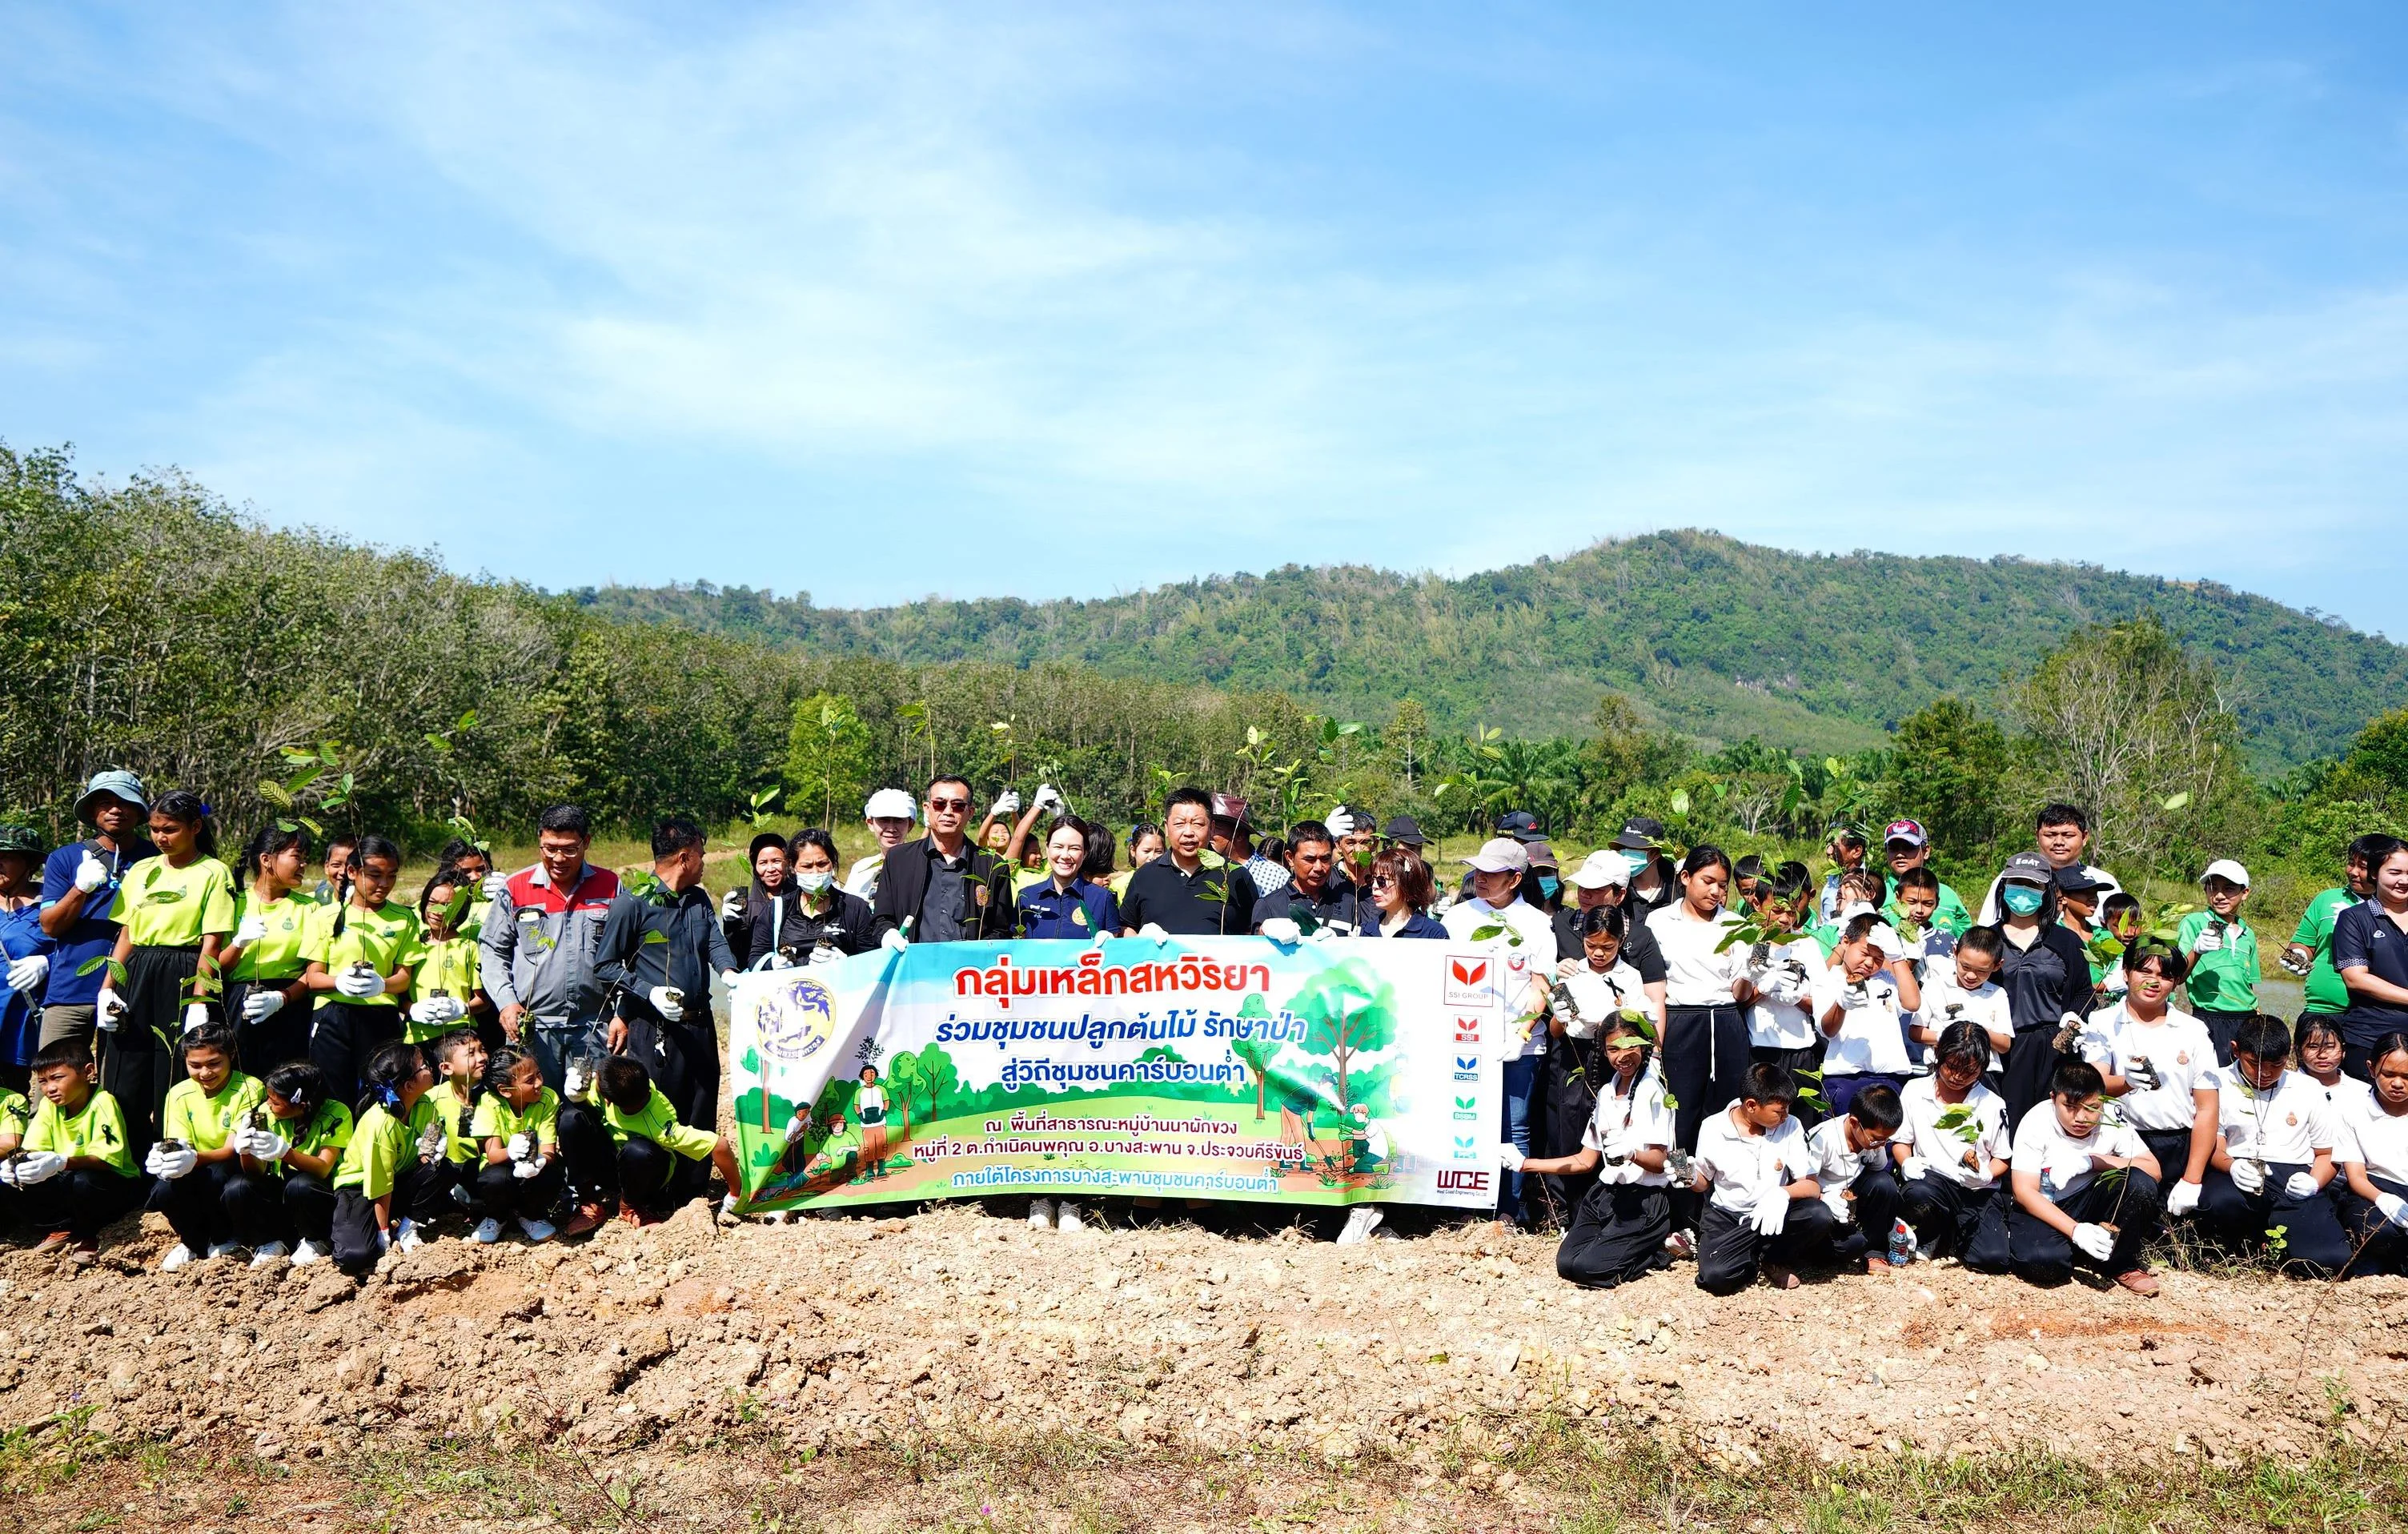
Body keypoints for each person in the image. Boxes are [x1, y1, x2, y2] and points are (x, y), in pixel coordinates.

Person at [96, 789, 236, 1157]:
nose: (161, 837)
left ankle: (169, 1158)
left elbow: (211, 944)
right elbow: (126, 934)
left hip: (183, 971)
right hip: (137, 970)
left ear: (195, 827)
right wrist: (107, 988)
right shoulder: (142, 870)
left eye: (170, 829)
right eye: (155, 829)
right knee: (125, 1067)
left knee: (172, 1068)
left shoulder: (213, 872)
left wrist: (199, 1001)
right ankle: (124, 1161)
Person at [592, 815, 739, 1134]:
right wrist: (649, 992)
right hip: (656, 1028)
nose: (704, 863)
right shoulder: (632, 903)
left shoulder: (698, 899)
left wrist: (729, 972)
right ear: (684, 857)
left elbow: (714, 942)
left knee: (702, 1108)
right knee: (661, 1114)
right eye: (701, 854)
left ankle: (698, 1169)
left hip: (700, 1025)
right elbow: (605, 966)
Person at [1511, 1014, 1674, 1289]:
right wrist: (1525, 1164)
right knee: (1566, 1264)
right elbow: (1585, 1160)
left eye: (1630, 1046)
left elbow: (1660, 1161)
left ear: (1644, 1045)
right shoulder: (1607, 1093)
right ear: (1604, 1051)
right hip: (1606, 1195)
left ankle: (1655, 1251)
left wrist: (1633, 1154)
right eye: (1613, 1049)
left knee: (1588, 1269)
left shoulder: (1653, 1091)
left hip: (1643, 1201)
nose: (1622, 1056)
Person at [1443, 837, 1555, 1227]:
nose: (1481, 878)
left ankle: (1508, 1210)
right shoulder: (1457, 919)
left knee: (1514, 1125)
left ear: (1515, 879)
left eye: (1492, 873)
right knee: (1464, 1121)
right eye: (1479, 871)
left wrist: (1521, 1034)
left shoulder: (1537, 924)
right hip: (1464, 1041)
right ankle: (1463, 1206)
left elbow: (1541, 986)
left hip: (1518, 1046)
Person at [1977, 1057, 2161, 1294]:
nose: (2081, 1118)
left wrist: (2093, 1161)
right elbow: (2024, 1191)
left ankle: (2121, 1263)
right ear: (2054, 1098)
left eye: (2092, 1107)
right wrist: (2076, 1231)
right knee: (2043, 1264)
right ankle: (2078, 1249)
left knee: (2140, 1183)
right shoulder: (2036, 1120)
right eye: (2071, 1107)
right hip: (2047, 1205)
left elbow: (2153, 1170)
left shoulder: (2113, 1118)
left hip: (2089, 1199)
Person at [2189, 1014, 2352, 1276]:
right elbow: (2214, 1146)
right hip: (2237, 1170)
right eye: (2254, 1063)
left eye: (2276, 1065)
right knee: (2218, 1203)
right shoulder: (2216, 1083)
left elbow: (2326, 1153)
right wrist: (2232, 1167)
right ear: (2235, 1050)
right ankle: (2241, 1245)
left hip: (2293, 1175)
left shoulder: (2309, 1088)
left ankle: (2281, 1241)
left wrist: (2314, 1182)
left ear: (2288, 1057)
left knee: (2329, 1260)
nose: (2264, 1074)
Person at [1647, 846, 1757, 1235]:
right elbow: (1653, 983)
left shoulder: (1736, 925)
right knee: (1679, 1119)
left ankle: (1718, 1214)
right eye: (1708, 881)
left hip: (1726, 1023)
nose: (1716, 892)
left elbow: (1741, 992)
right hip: (1680, 1023)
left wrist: (1754, 967)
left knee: (1725, 1114)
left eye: (1723, 886)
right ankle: (1678, 1216)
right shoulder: (1660, 921)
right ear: (1685, 878)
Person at [480, 804, 620, 1090]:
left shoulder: (610, 886)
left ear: (586, 842)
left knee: (591, 1106)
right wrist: (506, 1001)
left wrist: (622, 1012)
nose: (558, 858)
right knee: (534, 1104)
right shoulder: (515, 888)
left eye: (569, 849)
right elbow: (493, 950)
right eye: (550, 848)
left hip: (594, 1027)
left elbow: (628, 953)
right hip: (532, 1029)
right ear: (539, 841)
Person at [2077, 944, 2220, 1215]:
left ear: (2175, 982)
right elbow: (2096, 1084)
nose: (2154, 982)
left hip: (2179, 1143)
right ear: (2126, 973)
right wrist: (2126, 1083)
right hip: (2126, 1141)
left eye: (2164, 976)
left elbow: (2207, 1107)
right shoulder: (2102, 1022)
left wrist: (2192, 1179)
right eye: (2145, 971)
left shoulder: (2193, 1030)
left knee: (2208, 1208)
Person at [37, 770, 159, 1054]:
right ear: (93, 812)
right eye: (106, 803)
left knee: (120, 1076)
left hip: (133, 988)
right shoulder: (65, 858)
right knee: (56, 1072)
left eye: (125, 802)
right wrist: (80, 888)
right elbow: (49, 926)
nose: (116, 810)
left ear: (139, 812)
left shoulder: (156, 859)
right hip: (71, 989)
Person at [300, 836, 425, 1109]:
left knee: (378, 1093)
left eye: (392, 876)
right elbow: (313, 977)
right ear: (352, 872)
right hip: (334, 1015)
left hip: (380, 1016)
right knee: (332, 1095)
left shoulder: (404, 919)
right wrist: (339, 982)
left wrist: (382, 985)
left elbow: (403, 977)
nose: (384, 884)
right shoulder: (326, 916)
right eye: (375, 875)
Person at [1690, 1063, 1829, 1293]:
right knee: (1716, 1276)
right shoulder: (1713, 1127)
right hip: (1727, 1217)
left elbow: (1812, 1186)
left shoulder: (1791, 1125)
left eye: (1787, 1109)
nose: (1785, 1116)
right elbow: (1703, 1181)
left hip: (1774, 1215)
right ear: (1752, 1105)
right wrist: (1688, 1177)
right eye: (1779, 1111)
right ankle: (1756, 1255)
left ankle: (1772, 1258)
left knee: (1818, 1215)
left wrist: (1781, 1194)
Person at [144, 1020, 271, 1270]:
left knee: (218, 1176)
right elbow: (179, 1142)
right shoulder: (178, 1093)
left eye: (214, 1064)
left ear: (231, 1056)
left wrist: (193, 1158)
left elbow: (231, 1149)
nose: (205, 1073)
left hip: (233, 1163)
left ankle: (225, 1237)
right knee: (164, 1189)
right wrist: (168, 1160)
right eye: (195, 1065)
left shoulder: (249, 1087)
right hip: (197, 1163)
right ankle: (193, 1241)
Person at [2, 1035, 141, 1256]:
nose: (50, 1088)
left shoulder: (103, 1103)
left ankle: (91, 1234)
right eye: (43, 1081)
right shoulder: (49, 1106)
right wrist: (18, 1165)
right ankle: (59, 1228)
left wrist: (61, 1162)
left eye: (57, 1078)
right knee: (14, 1181)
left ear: (88, 1072)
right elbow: (34, 1147)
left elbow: (106, 1161)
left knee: (83, 1182)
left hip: (111, 1182)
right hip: (67, 1176)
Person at [566, 1054, 744, 1226]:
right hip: (613, 1161)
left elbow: (720, 1145)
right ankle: (588, 1201)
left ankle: (629, 1206)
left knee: (638, 1151)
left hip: (644, 1175)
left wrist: (736, 1193)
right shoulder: (635, 1086)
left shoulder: (660, 1126)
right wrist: (579, 1100)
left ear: (607, 1101)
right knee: (571, 1119)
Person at [1892, 1022, 2013, 1265]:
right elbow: (1901, 1140)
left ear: (1982, 1068)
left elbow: (2002, 1158)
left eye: (1969, 1071)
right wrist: (1906, 1163)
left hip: (1977, 1190)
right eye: (1952, 1067)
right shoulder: (1915, 1091)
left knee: (1993, 1258)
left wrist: (1987, 1175)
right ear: (1939, 1055)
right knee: (1917, 1193)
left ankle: (1951, 1235)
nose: (1957, 1077)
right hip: (1933, 1184)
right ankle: (1931, 1231)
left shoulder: (1992, 1104)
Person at [1989, 851, 2096, 1126]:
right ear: (2004, 887)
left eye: (2033, 885)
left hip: (2056, 1048)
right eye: (2017, 883)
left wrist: (2074, 1016)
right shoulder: (1988, 939)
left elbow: (2085, 992)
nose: (2024, 891)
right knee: (2006, 1123)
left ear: (2047, 891)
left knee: (2055, 1123)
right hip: (2004, 1049)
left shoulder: (2066, 941)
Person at [329, 1042, 443, 1274]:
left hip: (397, 1178)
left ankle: (408, 1226)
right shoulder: (381, 1124)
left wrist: (434, 1154)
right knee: (355, 1256)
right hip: (361, 1189)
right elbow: (381, 1185)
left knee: (444, 1168)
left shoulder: (425, 1105)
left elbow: (425, 1154)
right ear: (409, 1085)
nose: (430, 1069)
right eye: (424, 1066)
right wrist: (383, 1236)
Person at [871, 777, 1019, 946]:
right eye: (939, 804)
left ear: (970, 812)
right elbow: (882, 918)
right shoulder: (899, 860)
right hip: (913, 960)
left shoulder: (992, 866)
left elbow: (1002, 929)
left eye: (958, 806)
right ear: (927, 808)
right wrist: (889, 934)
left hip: (970, 963)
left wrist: (977, 953)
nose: (948, 812)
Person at [219, 822, 318, 1076]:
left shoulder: (309, 908)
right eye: (297, 857)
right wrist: (238, 943)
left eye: (305, 858)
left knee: (285, 1080)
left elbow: (313, 971)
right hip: (238, 1001)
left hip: (290, 1003)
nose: (304, 865)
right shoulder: (234, 902)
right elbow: (216, 967)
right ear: (266, 860)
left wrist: (282, 998)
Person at [240, 1059, 350, 1265]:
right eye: (269, 1098)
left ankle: (315, 1240)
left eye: (276, 1103)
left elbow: (323, 1168)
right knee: (239, 1186)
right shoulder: (265, 1114)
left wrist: (283, 1152)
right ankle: (270, 1241)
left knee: (300, 1185)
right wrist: (246, 1151)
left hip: (317, 1193)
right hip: (281, 1191)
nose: (268, 1105)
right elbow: (257, 1172)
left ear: (301, 1105)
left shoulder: (337, 1113)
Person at [1811, 914, 1920, 1117]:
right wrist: (1841, 1005)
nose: (1870, 963)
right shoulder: (1827, 980)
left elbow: (1912, 1003)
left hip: (1891, 1079)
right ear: (1846, 942)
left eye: (1879, 959)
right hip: (1846, 1080)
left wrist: (1897, 958)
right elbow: (1828, 1030)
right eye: (1864, 953)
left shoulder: (1887, 979)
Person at [1121, 787, 1258, 939]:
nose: (1188, 833)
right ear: (1166, 827)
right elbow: (1126, 926)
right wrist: (1140, 939)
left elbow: (1252, 930)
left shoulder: (1235, 874)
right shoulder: (1144, 876)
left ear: (1211, 828)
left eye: (1197, 824)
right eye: (1179, 824)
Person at [1740, 862, 1824, 1114]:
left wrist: (1797, 998)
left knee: (1800, 1116)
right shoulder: (1747, 942)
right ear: (1757, 904)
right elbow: (1738, 1001)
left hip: (1801, 1049)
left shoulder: (1806, 945)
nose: (1785, 919)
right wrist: (1763, 989)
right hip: (1760, 1048)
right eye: (1777, 910)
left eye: (1791, 910)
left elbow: (1821, 1003)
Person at [2285, 834, 2395, 1017]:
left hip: (2379, 1015)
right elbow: (2303, 943)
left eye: (2363, 867)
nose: (2353, 872)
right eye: (2351, 863)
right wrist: (2298, 954)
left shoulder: (2397, 908)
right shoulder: (2326, 899)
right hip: (2322, 1010)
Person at [1553, 850, 1670, 1019]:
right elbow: (1542, 981)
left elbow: (1655, 1002)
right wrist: (1554, 972)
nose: (1585, 894)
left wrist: (1654, 1038)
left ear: (1620, 895)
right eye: (1582, 886)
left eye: (1596, 889)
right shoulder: (1561, 924)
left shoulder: (1641, 937)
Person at [1803, 1082, 1906, 1271]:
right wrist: (1823, 1198)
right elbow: (1801, 1183)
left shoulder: (1872, 1142)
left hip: (1850, 1201)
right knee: (1851, 1246)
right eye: (1876, 1139)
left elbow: (1878, 1169)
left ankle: (1875, 1252)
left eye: (1887, 1140)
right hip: (1821, 1205)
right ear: (1854, 1123)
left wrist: (1877, 1145)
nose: (1881, 1144)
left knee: (1885, 1184)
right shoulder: (1822, 1139)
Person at [468, 1044, 562, 1245]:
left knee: (551, 1175)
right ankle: (496, 1217)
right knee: (495, 1179)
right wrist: (511, 1151)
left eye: (539, 1074)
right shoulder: (489, 1103)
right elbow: (493, 1155)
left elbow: (548, 1151)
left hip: (532, 1167)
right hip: (502, 1166)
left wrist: (540, 1162)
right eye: (530, 1080)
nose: (539, 1083)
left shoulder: (547, 1098)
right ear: (505, 1090)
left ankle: (530, 1215)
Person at [2334, 1032, 2408, 1275]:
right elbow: (2356, 1177)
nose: (2398, 1084)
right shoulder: (2353, 1110)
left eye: (2407, 1077)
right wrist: (2384, 1199)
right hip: (2373, 1189)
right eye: (2389, 1074)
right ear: (2371, 1068)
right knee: (2376, 1230)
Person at [2334, 840, 2408, 1082]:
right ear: (2375, 873)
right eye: (2395, 873)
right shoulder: (2354, 919)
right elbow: (2356, 979)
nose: (2404, 880)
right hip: (2369, 1038)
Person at [1975, 805, 2120, 924]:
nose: (2059, 842)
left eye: (2068, 835)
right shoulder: (2012, 879)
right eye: (2050, 835)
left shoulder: (2103, 881)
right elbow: (1987, 931)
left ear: (2085, 837)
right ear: (2037, 836)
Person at [2181, 859, 2262, 1064]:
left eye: (2229, 889)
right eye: (2213, 888)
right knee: (2209, 1076)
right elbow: (2176, 976)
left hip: (2246, 1019)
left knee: (2245, 1077)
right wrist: (2196, 951)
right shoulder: (2194, 923)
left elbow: (2248, 985)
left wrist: (2257, 1017)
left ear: (2245, 893)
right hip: (2209, 1016)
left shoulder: (2249, 934)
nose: (2219, 895)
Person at [0, 825, 55, 1090]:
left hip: (17, 1021)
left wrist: (48, 963)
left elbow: (78, 952)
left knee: (12, 1096)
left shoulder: (50, 905)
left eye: (7, 857)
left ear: (30, 863)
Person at [1911, 925, 2013, 1066]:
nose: (1971, 976)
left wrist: (1976, 1031)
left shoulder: (1998, 994)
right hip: (1942, 1067)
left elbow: (2005, 1045)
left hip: (1984, 1070)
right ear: (1955, 953)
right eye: (1965, 967)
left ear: (1997, 966)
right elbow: (1915, 1032)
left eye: (1981, 971)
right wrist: (1945, 1035)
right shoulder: (1935, 986)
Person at [407, 869, 485, 1046]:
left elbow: (483, 1000)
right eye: (432, 903)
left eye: (447, 906)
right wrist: (414, 1009)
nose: (438, 911)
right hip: (418, 1035)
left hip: (459, 1037)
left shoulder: (468, 947)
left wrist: (461, 1009)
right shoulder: (414, 944)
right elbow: (400, 998)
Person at [419, 1027, 489, 1214]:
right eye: (471, 1054)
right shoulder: (432, 1099)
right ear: (446, 1068)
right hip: (446, 1172)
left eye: (482, 1050)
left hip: (484, 1170)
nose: (482, 1058)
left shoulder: (493, 1097)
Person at [1015, 817, 1122, 941]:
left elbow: (1112, 948)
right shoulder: (1026, 897)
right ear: (1047, 848)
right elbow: (1017, 945)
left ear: (1085, 852)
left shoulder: (1103, 899)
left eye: (1074, 848)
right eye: (1058, 847)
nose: (1065, 855)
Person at [1255, 820, 1367, 936]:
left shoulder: (1349, 903)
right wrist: (1263, 932)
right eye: (1309, 859)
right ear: (1290, 858)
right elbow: (1255, 946)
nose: (1319, 867)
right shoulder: (1269, 906)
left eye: (1325, 859)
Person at [782, 829, 879, 961]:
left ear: (832, 863)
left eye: (822, 864)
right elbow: (758, 955)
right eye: (807, 866)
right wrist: (772, 964)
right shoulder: (778, 908)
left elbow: (872, 959)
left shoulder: (856, 908)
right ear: (793, 867)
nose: (815, 872)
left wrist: (845, 962)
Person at [1877, 821, 1970, 938]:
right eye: (1893, 848)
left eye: (1908, 847)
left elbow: (1967, 942)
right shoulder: (1877, 895)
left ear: (1926, 851)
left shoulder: (1948, 896)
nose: (1900, 854)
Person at [722, 832, 798, 971]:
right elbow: (737, 953)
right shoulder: (746, 906)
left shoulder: (801, 899)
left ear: (787, 863)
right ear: (755, 867)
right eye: (763, 863)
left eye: (776, 861)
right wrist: (730, 925)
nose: (770, 869)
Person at [845, 788, 920, 899]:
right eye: (884, 820)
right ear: (870, 823)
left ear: (910, 825)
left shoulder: (921, 868)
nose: (891, 829)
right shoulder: (860, 869)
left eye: (899, 820)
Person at [2295, 1014, 2373, 1115]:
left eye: (2330, 1047)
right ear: (2299, 1051)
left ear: (2343, 1049)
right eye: (2313, 1047)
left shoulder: (2363, 1092)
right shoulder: (2287, 1088)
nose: (2322, 1055)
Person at [1362, 849, 1446, 938]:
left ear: (1406, 884)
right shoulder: (1366, 931)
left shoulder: (1433, 933)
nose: (1374, 886)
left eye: (1382, 880)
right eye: (1372, 879)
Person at [1611, 819, 1676, 918]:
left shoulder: (1675, 891)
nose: (1627, 853)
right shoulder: (1615, 892)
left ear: (1656, 853)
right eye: (1624, 848)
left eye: (1634, 848)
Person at [1816, 823, 1872, 926]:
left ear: (1856, 851)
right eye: (1828, 845)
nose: (1829, 851)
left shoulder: (1868, 885)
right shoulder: (1833, 879)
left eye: (1835, 846)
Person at [1329, 805, 1379, 893]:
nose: (1358, 850)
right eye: (1350, 843)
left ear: (1375, 844)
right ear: (1338, 845)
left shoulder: (1384, 878)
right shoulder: (1327, 879)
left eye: (1365, 843)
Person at [1111, 824, 1164, 900]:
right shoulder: (1119, 886)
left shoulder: (1170, 882)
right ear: (1133, 850)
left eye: (1158, 851)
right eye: (1146, 851)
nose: (1152, 857)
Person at [311, 833, 359, 902]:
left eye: (351, 867)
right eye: (336, 865)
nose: (343, 872)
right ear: (327, 867)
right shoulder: (313, 901)